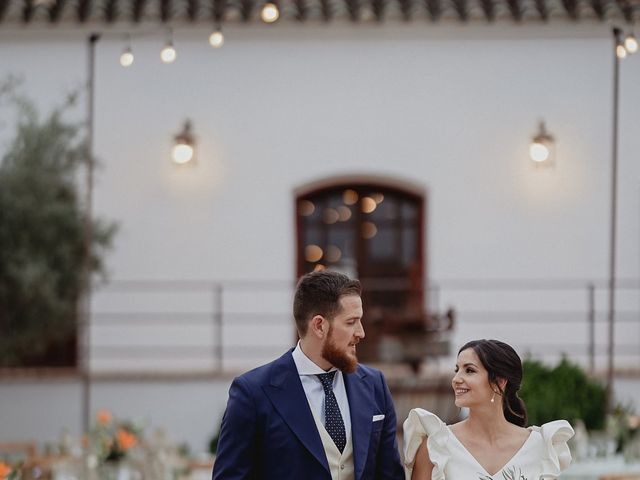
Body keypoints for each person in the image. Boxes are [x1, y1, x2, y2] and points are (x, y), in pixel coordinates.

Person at [212, 270, 405, 480]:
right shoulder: (253, 393)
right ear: (319, 326)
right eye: (351, 322)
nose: (361, 333)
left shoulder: (374, 385)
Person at [403, 339, 574, 480]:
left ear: (500, 381)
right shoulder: (436, 446)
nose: (456, 379)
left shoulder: (540, 447)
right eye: (457, 370)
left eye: (469, 370)